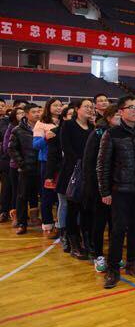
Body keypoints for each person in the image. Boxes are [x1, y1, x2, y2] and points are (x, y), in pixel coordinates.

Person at [97, 95, 135, 289]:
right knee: (118, 229)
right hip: (120, 190)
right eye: (130, 107)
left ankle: (133, 262)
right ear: (121, 111)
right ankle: (113, 267)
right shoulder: (112, 133)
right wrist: (105, 191)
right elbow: (103, 165)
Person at [83, 104, 120, 273]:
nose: (120, 118)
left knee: (116, 223)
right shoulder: (98, 133)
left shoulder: (123, 133)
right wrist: (98, 188)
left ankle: (114, 255)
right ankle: (98, 254)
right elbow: (89, 163)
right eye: (117, 115)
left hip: (119, 186)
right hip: (100, 186)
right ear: (109, 117)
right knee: (99, 222)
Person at [58, 99, 95, 260]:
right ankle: (73, 243)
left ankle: (87, 241)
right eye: (86, 106)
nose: (90, 109)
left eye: (91, 107)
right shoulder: (68, 125)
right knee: (72, 209)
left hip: (89, 173)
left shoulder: (93, 128)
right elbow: (67, 148)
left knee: (87, 209)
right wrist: (82, 164)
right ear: (77, 109)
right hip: (73, 172)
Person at [8, 103, 42, 234]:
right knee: (22, 196)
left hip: (42, 167)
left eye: (38, 111)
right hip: (26, 168)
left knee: (43, 196)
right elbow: (12, 149)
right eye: (34, 112)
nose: (37, 114)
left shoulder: (44, 127)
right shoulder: (18, 129)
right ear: (27, 114)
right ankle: (22, 223)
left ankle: (45, 222)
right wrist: (22, 163)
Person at [33, 98, 62, 237]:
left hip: (62, 163)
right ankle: (47, 224)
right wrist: (45, 137)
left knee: (61, 196)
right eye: (55, 105)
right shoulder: (41, 123)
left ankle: (60, 223)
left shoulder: (64, 122)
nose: (58, 107)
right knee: (47, 195)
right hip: (47, 163)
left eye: (60, 105)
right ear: (48, 107)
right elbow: (36, 145)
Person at [46, 105, 73, 251]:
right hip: (62, 172)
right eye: (70, 114)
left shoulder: (87, 130)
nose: (73, 117)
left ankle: (75, 232)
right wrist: (49, 175)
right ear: (64, 117)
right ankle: (63, 232)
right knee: (64, 203)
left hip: (79, 173)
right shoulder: (55, 133)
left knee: (77, 204)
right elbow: (52, 156)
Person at [2, 107, 25, 227]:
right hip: (15, 164)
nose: (22, 114)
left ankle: (25, 216)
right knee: (15, 191)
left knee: (27, 192)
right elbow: (7, 147)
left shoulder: (29, 127)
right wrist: (19, 159)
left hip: (29, 164)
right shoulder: (12, 127)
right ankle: (14, 215)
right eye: (19, 113)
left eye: (23, 112)